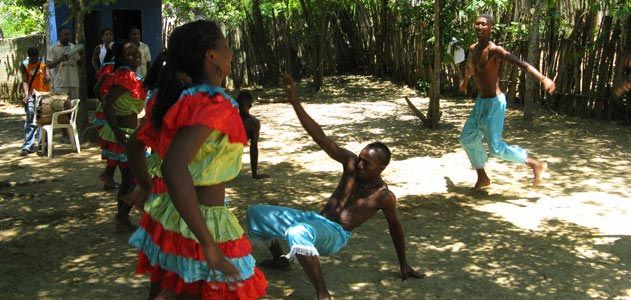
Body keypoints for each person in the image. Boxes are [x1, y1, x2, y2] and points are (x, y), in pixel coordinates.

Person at [246, 74, 423, 300]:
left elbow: (395, 228)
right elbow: (319, 136)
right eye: (360, 158)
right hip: (314, 219)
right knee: (255, 213)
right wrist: (294, 101)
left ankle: (322, 293)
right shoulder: (350, 163)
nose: (359, 164)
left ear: (382, 168)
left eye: (366, 163)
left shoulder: (383, 196)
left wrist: (404, 263)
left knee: (297, 232)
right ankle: (280, 261)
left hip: (334, 234)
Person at [123, 20, 267, 299]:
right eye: (225, 45)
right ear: (211, 55)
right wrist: (208, 243)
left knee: (171, 290)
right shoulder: (212, 102)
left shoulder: (185, 98)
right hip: (204, 220)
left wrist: (146, 185)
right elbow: (173, 165)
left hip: (177, 215)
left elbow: (142, 146)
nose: (231, 52)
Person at [459, 14, 554, 190]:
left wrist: (543, 79)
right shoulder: (473, 49)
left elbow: (521, 64)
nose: (479, 27)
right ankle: (482, 177)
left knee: (495, 149)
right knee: (467, 137)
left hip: (495, 103)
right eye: (477, 24)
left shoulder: (495, 50)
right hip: (481, 102)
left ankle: (534, 164)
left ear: (490, 28)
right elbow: (470, 66)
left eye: (483, 24)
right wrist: (465, 80)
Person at [99, 39, 146, 232]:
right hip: (124, 134)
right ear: (120, 58)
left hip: (129, 133)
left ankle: (122, 218)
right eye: (130, 54)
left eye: (137, 51)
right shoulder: (124, 75)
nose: (136, 55)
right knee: (133, 178)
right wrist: (118, 132)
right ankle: (122, 217)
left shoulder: (130, 75)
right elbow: (107, 104)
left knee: (130, 178)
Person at [19, 47, 50, 156]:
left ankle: (43, 144)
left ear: (38, 55)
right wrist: (26, 95)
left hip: (44, 95)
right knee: (30, 119)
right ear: (28, 56)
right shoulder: (24, 65)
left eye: (35, 58)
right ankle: (27, 146)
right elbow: (25, 81)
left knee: (44, 119)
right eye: (32, 58)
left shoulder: (43, 61)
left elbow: (48, 75)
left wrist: (47, 78)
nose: (34, 60)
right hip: (32, 95)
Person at [236, 91, 270, 179]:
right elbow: (253, 147)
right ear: (250, 106)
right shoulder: (253, 123)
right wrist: (254, 174)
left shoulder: (227, 119)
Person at [46, 26, 83, 100]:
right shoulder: (53, 48)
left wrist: (83, 53)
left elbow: (80, 64)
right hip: (60, 83)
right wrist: (60, 59)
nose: (68, 36)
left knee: (74, 105)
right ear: (60, 35)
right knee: (61, 106)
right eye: (65, 34)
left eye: (69, 34)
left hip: (73, 82)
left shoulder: (73, 47)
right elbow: (49, 65)